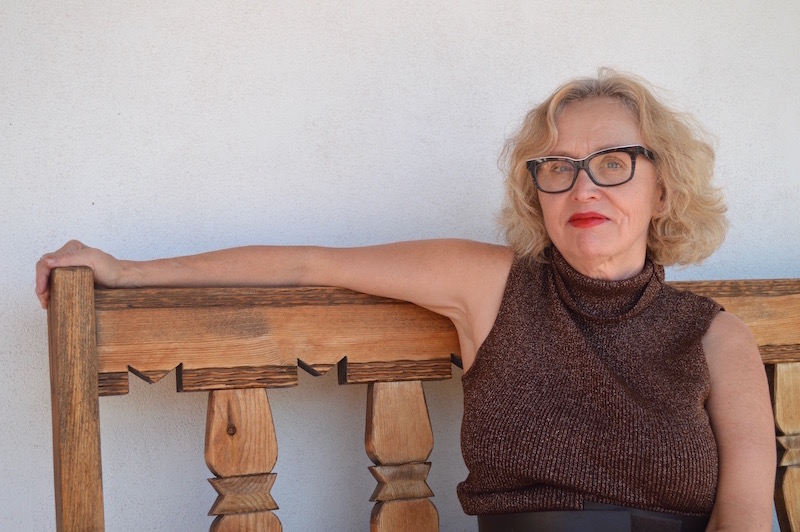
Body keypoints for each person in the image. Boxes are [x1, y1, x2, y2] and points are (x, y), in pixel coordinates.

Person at [35, 70, 775, 531]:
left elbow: (744, 518)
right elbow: (305, 264)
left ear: (664, 186)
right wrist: (125, 271)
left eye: (613, 164)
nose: (583, 187)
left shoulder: (715, 339)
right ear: (536, 192)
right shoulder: (493, 287)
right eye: (557, 167)